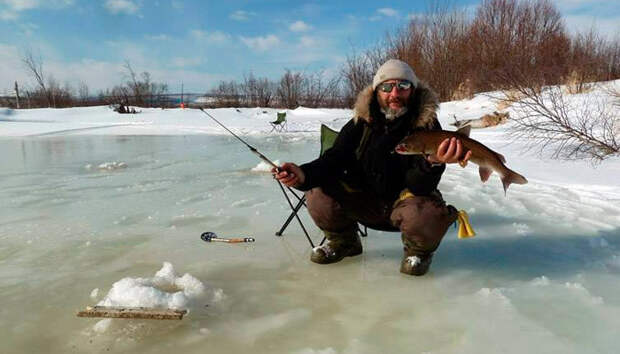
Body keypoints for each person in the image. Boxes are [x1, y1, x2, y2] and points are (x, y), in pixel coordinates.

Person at [273, 59, 471, 276]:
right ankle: (345, 242)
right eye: (387, 86)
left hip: (404, 205)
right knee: (318, 192)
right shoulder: (359, 123)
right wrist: (303, 174)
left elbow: (420, 187)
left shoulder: (428, 127)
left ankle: (418, 253)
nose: (394, 93)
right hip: (363, 203)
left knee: (425, 212)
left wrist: (432, 163)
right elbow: (334, 160)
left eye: (403, 86)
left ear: (413, 91)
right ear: (377, 90)